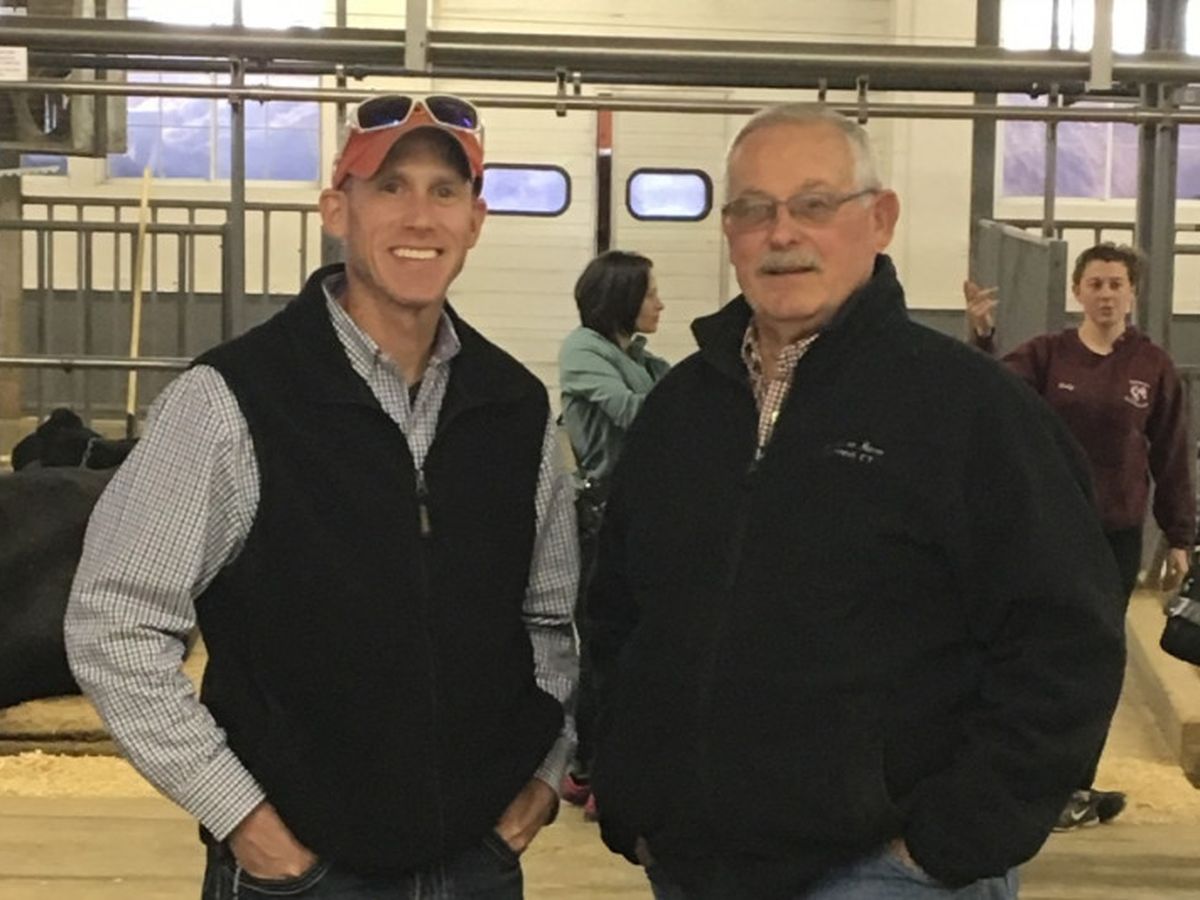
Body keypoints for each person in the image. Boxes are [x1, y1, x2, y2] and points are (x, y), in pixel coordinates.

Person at [586, 103, 1127, 900]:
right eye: (753, 209)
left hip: (888, 872)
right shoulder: (679, 412)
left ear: (880, 219)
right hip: (695, 867)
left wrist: (951, 842)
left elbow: (1066, 641)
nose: (781, 233)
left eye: (813, 204)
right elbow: (617, 614)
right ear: (729, 231)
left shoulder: (971, 411)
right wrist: (631, 790)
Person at [64, 94, 578, 900]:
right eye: (390, 186)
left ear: (475, 221)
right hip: (303, 877)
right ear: (337, 210)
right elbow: (114, 621)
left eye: (445, 191)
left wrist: (539, 783)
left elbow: (551, 620)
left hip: (475, 868)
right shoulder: (233, 401)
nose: (420, 216)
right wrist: (245, 821)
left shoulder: (514, 409)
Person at [964, 242, 1195, 830]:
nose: (1106, 294)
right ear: (1077, 291)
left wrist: (1180, 535)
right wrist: (983, 336)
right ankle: (1023, 777)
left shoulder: (1152, 366)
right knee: (1039, 650)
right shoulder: (1048, 355)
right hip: (1051, 531)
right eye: (1095, 284)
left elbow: (1170, 454)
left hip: (1115, 538)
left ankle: (1073, 785)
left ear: (1132, 292)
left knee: (1098, 660)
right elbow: (995, 395)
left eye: (1116, 284)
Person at [557, 249, 670, 816]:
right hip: (600, 518)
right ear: (622, 299)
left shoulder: (642, 359)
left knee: (634, 645)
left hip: (638, 516)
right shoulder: (583, 350)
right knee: (605, 646)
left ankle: (598, 764)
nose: (660, 304)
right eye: (650, 294)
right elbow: (635, 413)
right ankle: (593, 768)